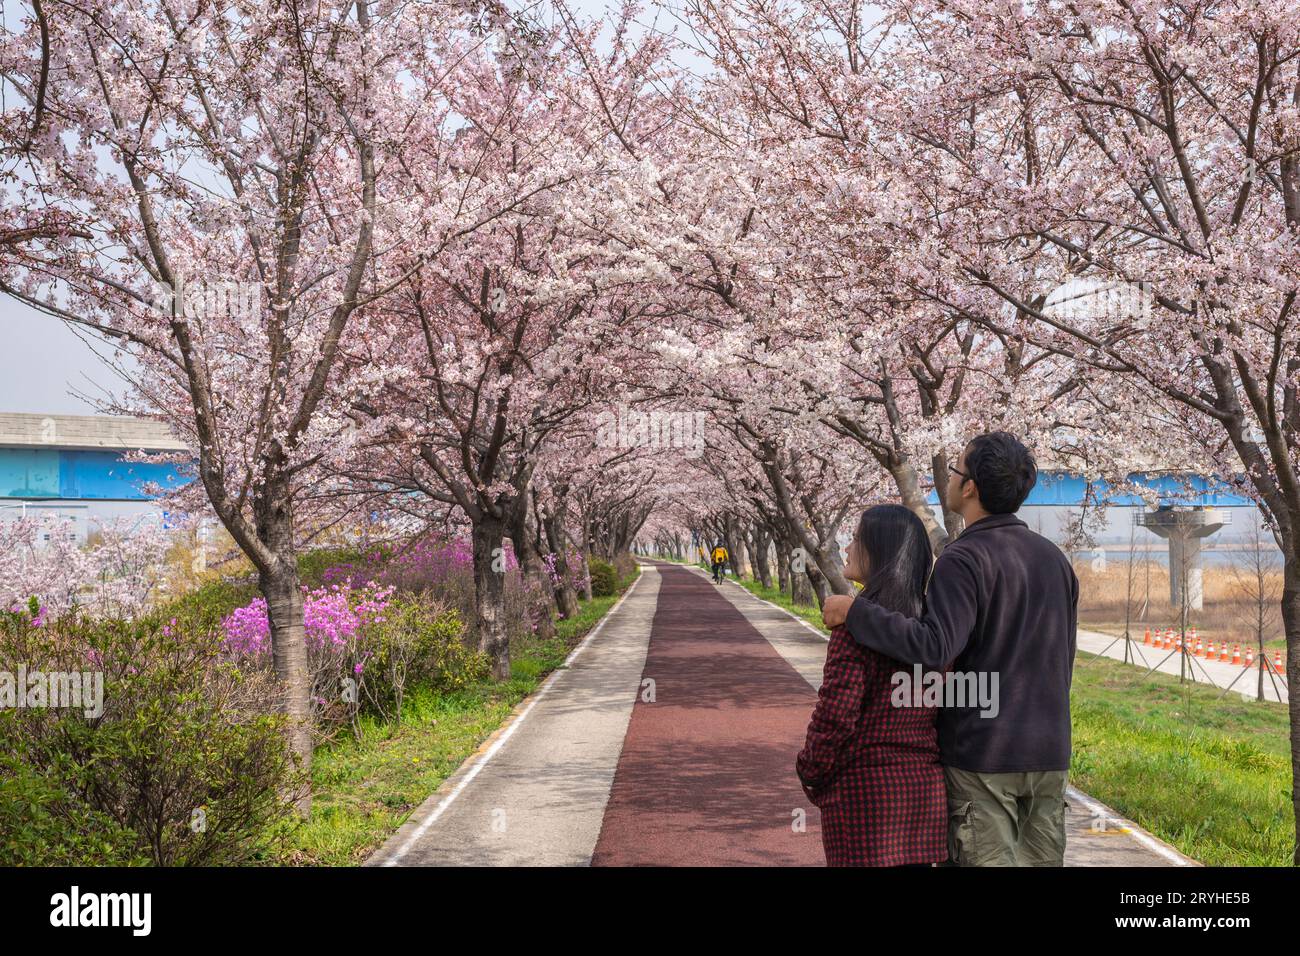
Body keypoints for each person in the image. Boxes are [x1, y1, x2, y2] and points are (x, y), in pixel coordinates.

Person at [822, 432, 1079, 867]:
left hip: (985, 753)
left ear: (971, 487)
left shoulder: (964, 558)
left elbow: (935, 646)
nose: (948, 478)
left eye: (956, 469)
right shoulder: (1054, 559)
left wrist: (855, 612)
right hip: (1049, 751)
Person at [796, 504, 947, 867]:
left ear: (880, 550)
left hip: (865, 796)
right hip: (924, 794)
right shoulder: (933, 630)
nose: (847, 548)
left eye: (857, 539)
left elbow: (835, 714)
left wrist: (810, 770)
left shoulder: (856, 627)